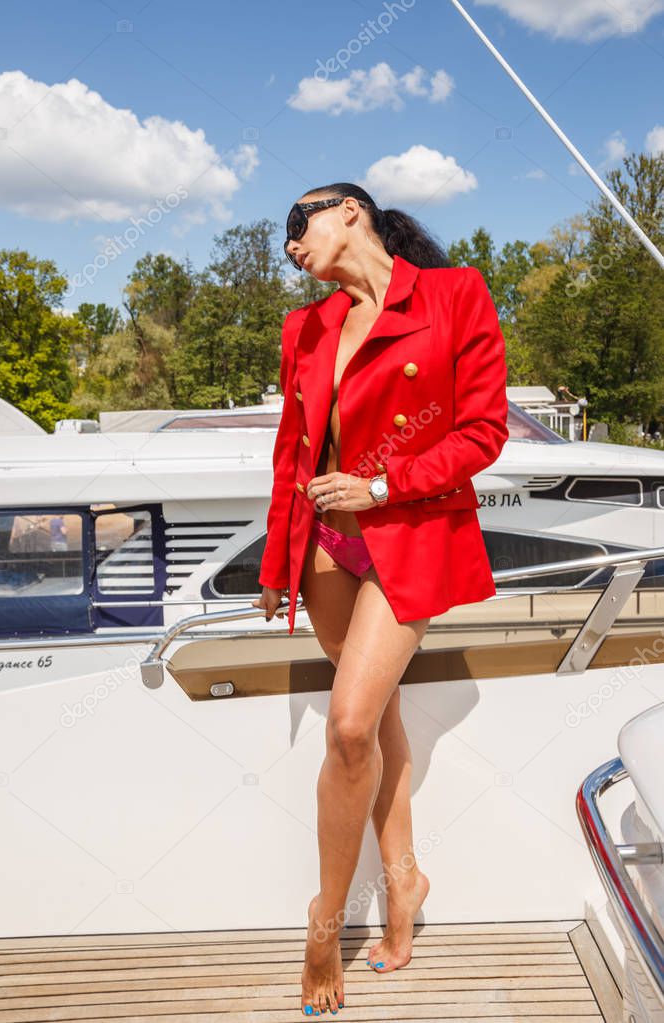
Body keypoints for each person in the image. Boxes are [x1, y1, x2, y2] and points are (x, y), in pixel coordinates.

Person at [253, 183, 509, 1016]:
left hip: (409, 531)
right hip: (327, 543)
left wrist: (383, 482)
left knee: (352, 723)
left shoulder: (454, 294)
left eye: (300, 224)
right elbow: (296, 448)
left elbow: (483, 429)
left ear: (350, 211)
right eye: (283, 238)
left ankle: (324, 923)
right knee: (378, 722)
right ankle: (405, 884)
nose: (291, 245)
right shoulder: (307, 325)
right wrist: (275, 559)